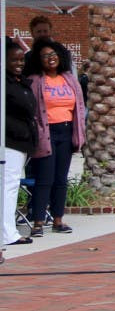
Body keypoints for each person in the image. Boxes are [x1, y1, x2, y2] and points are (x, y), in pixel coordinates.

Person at [24, 38, 85, 237]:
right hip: (46, 133)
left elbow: (80, 107)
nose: (50, 59)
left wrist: (79, 133)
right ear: (38, 60)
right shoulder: (35, 80)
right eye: (45, 56)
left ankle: (58, 219)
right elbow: (32, 110)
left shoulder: (69, 78)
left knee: (61, 178)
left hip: (66, 131)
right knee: (45, 178)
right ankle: (38, 222)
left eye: (53, 55)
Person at [4, 38, 37, 247]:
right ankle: (7, 233)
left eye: (21, 59)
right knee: (8, 186)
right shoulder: (4, 83)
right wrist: (17, 130)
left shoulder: (21, 81)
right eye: (14, 60)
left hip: (22, 142)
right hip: (9, 142)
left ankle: (7, 230)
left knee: (11, 185)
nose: (19, 63)